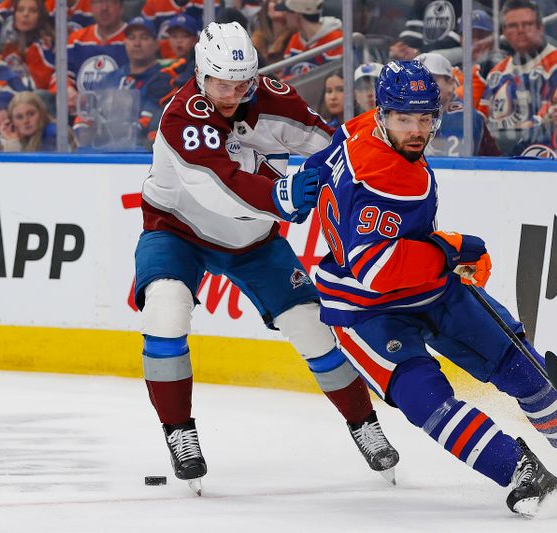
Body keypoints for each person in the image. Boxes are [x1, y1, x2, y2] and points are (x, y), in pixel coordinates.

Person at [303, 60, 557, 516]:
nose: (417, 130)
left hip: (433, 290)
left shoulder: (362, 127)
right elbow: (376, 272)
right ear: (383, 114)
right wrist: (452, 247)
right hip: (365, 310)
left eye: (425, 118)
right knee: (427, 402)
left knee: (523, 369)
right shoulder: (387, 179)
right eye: (405, 119)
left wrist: (295, 185)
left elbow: (330, 152)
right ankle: (518, 470)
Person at [134, 21, 399, 493]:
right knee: (165, 309)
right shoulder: (182, 116)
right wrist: (284, 193)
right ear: (201, 73)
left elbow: (331, 145)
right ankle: (179, 433)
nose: (233, 93)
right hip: (177, 230)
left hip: (254, 240)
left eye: (243, 82)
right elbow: (217, 188)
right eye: (221, 83)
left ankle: (364, 425)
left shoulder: (273, 96)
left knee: (312, 328)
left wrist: (386, 168)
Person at [480, 0, 557, 153]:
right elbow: (481, 118)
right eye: (513, 25)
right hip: (495, 155)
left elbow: (556, 115)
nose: (520, 30)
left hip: (537, 153)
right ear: (504, 31)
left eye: (527, 24)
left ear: (540, 28)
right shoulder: (497, 71)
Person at [75, 17, 171, 150]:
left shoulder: (165, 78)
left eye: (144, 37)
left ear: (157, 43)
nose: (137, 43)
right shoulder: (111, 78)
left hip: (143, 152)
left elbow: (149, 123)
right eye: (131, 37)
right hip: (104, 150)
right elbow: (89, 118)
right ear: (124, 42)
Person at [416, 52, 500, 156]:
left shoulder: (460, 117)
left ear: (451, 84)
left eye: (432, 80)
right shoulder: (411, 115)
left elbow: (453, 168)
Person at [0, 0, 57, 90]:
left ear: (41, 16)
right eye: (20, 10)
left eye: (33, 11)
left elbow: (42, 85)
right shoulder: (9, 48)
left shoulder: (48, 47)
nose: (25, 14)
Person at [279, 0, 342, 78]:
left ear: (297, 14)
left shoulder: (336, 39)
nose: (284, 15)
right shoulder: (295, 38)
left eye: (287, 11)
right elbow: (285, 76)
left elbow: (335, 79)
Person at [8, 90, 75, 151]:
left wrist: (13, 145)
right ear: (12, 122)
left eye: (31, 114)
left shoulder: (53, 133)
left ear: (41, 112)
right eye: (19, 117)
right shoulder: (19, 137)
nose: (26, 121)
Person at [250, 0, 292, 66]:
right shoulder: (255, 42)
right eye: (274, 1)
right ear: (266, 9)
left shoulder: (294, 37)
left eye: (283, 1)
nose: (278, 5)